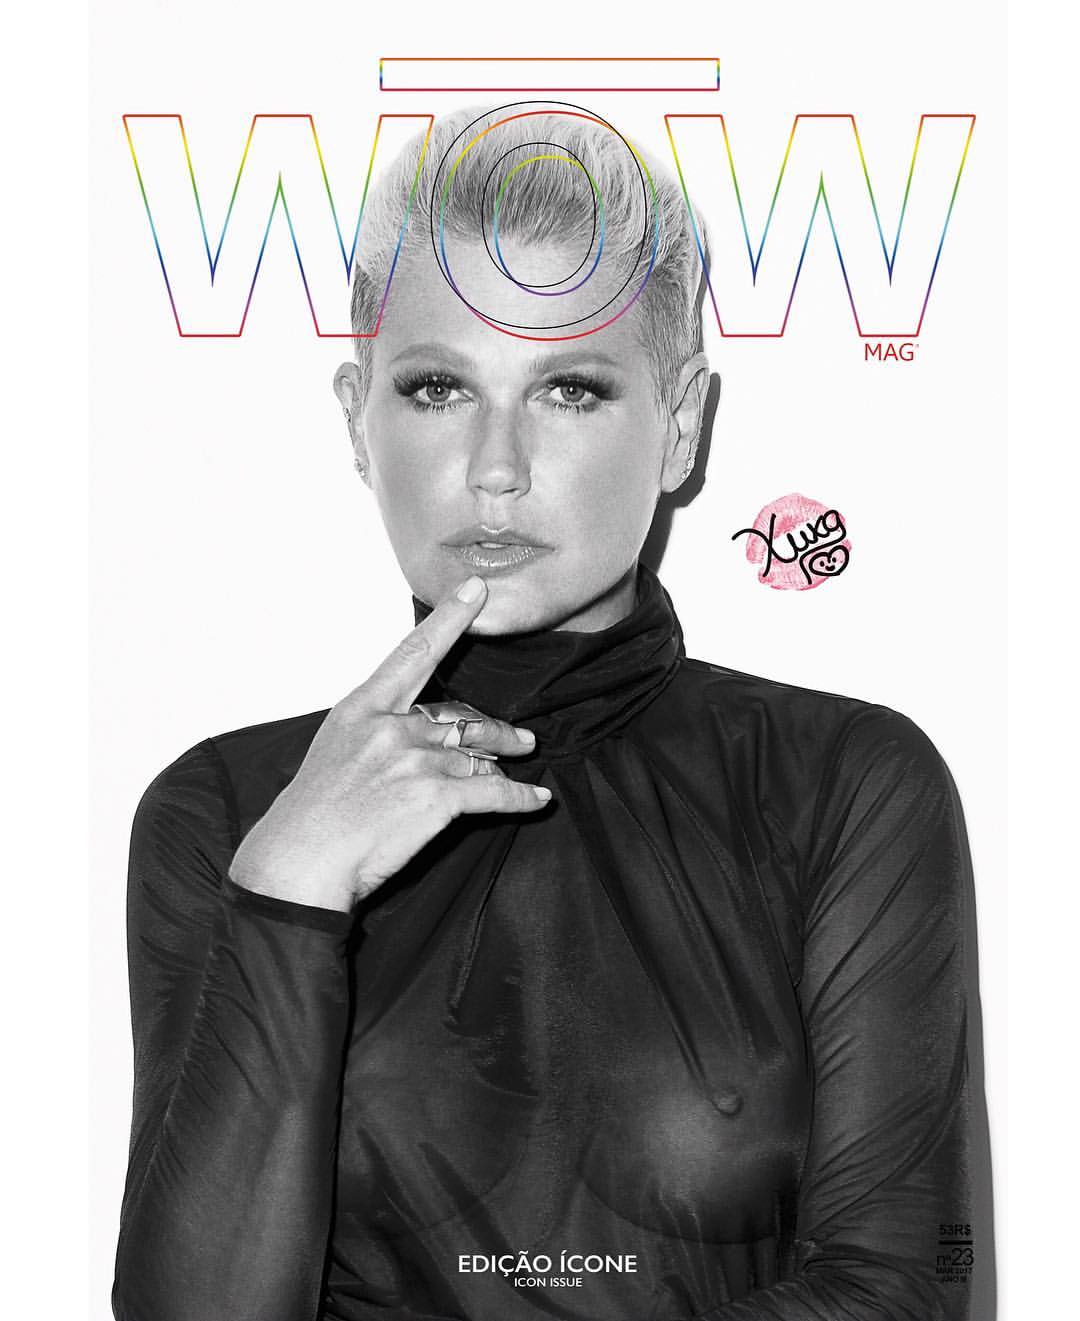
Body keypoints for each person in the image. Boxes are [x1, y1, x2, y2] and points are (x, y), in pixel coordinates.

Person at [111, 104, 986, 1321]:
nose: (497, 467)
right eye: (438, 388)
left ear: (680, 424)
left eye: (569, 389)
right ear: (358, 420)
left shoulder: (842, 783)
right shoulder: (225, 812)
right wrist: (287, 893)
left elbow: (904, 1294)